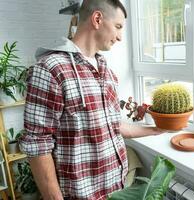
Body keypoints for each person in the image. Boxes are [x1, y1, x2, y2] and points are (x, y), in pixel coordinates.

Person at [19, 0, 165, 199]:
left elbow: (116, 126)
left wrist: (158, 129)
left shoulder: (107, 72)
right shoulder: (50, 69)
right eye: (118, 27)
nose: (120, 37)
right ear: (97, 19)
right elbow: (37, 145)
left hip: (116, 189)